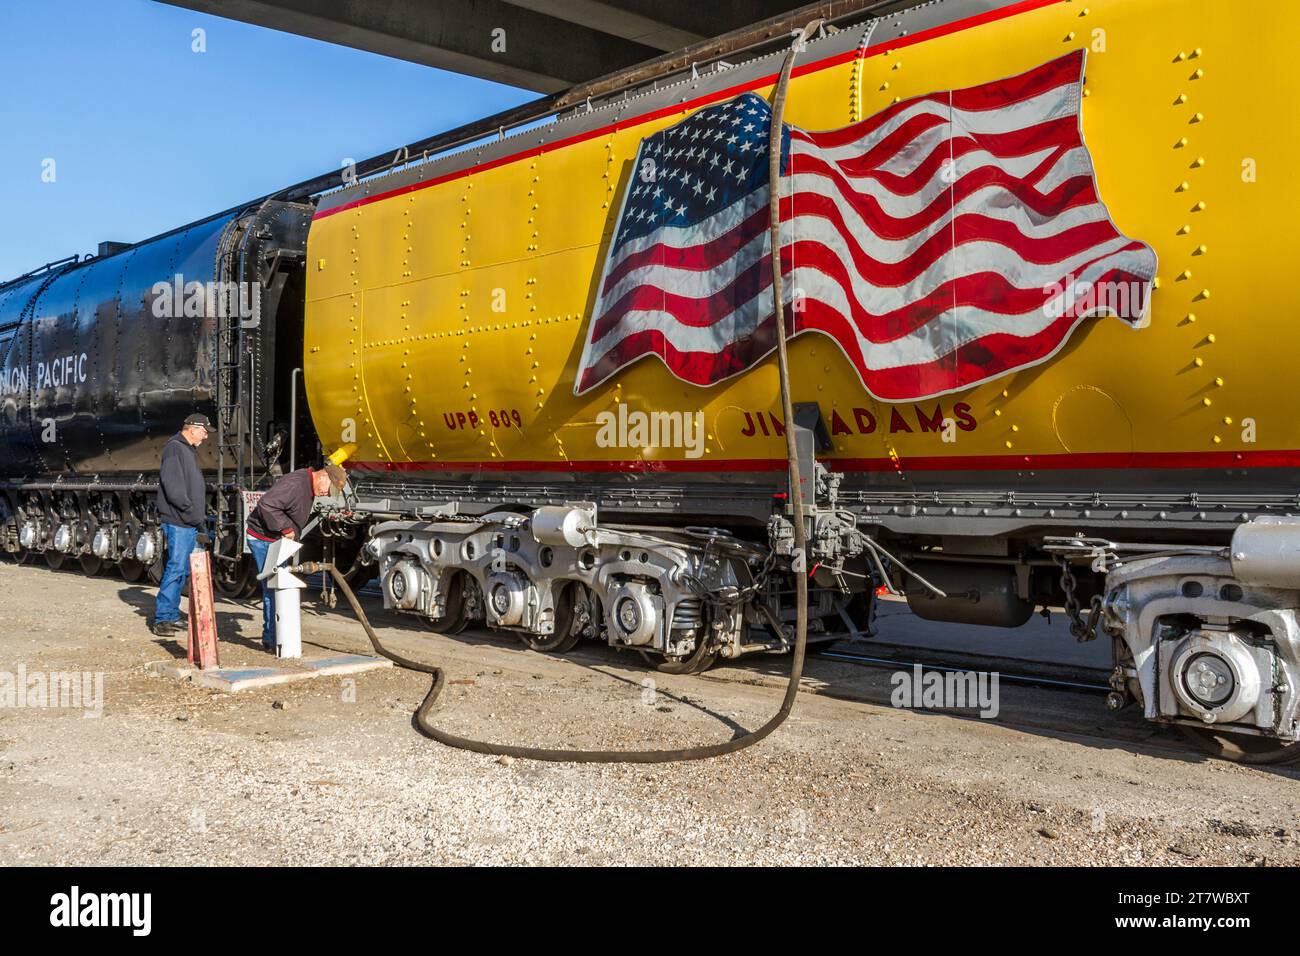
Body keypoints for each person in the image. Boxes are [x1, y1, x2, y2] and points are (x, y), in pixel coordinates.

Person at [245, 463, 347, 652]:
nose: (326, 494)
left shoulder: (306, 484)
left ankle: (275, 638)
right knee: (273, 588)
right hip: (264, 539)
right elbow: (267, 505)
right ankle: (272, 640)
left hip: (271, 539)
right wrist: (286, 528)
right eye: (328, 489)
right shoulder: (296, 484)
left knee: (276, 586)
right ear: (323, 476)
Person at [151, 413, 212, 636]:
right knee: (176, 568)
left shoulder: (185, 449)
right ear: (193, 428)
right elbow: (173, 486)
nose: (206, 437)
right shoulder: (175, 448)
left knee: (182, 569)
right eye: (205, 431)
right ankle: (162, 618)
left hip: (187, 521)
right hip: (180, 520)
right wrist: (189, 511)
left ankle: (172, 614)